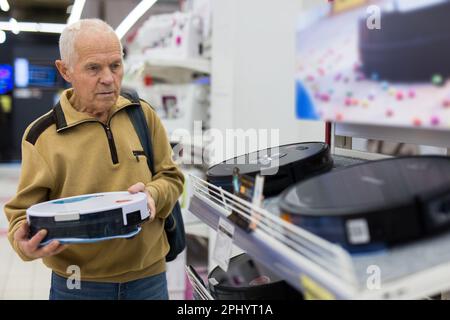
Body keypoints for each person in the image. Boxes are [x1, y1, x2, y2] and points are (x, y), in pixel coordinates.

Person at [4, 19, 185, 300]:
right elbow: (21, 214)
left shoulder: (142, 115)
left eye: (115, 65)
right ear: (65, 70)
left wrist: (152, 195)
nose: (109, 78)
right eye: (93, 68)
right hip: (78, 284)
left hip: (148, 279)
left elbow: (171, 177)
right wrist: (24, 244)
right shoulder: (42, 136)